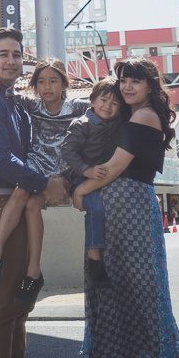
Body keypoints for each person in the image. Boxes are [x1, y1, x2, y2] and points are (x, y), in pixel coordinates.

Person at [74, 57, 179, 358]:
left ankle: (156, 356)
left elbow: (117, 166)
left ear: (150, 86)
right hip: (116, 206)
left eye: (135, 81)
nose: (127, 86)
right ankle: (122, 356)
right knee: (113, 281)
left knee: (138, 285)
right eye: (123, 80)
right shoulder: (132, 114)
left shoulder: (145, 116)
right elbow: (88, 106)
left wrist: (80, 190)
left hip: (131, 205)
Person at [0, 28, 67, 358]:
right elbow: (1, 160)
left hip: (20, 200)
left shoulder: (12, 100)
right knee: (6, 299)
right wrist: (44, 183)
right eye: (3, 55)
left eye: (16, 54)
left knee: (22, 300)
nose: (10, 61)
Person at [0, 56, 89, 304]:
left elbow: (106, 103)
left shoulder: (78, 107)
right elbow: (5, 92)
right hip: (37, 163)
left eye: (53, 81)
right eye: (41, 82)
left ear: (64, 83)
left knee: (32, 205)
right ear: (35, 85)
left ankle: (33, 270)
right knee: (19, 195)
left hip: (62, 168)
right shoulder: (32, 105)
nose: (47, 87)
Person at [61, 78, 123, 286]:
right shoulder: (82, 124)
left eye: (114, 103)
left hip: (105, 175)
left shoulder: (116, 125)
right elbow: (67, 151)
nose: (108, 106)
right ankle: (94, 258)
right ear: (92, 101)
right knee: (96, 207)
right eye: (104, 100)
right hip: (81, 176)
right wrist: (86, 170)